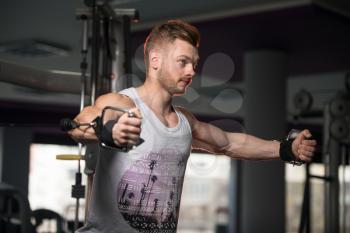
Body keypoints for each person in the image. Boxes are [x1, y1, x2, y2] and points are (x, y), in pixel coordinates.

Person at [69, 19, 317, 233]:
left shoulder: (185, 123)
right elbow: (78, 125)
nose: (191, 71)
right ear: (155, 60)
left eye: (194, 64)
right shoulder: (122, 104)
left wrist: (285, 149)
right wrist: (107, 130)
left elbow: (231, 143)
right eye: (183, 62)